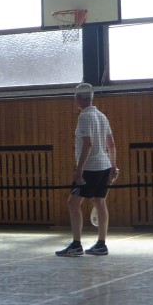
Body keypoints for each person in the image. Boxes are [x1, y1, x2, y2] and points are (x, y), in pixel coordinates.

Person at [56, 83, 118, 257]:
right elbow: (111, 145)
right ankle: (101, 244)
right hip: (104, 165)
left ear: (78, 98)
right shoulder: (102, 116)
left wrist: (79, 170)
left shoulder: (84, 116)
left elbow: (88, 144)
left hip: (90, 168)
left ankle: (76, 245)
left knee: (73, 203)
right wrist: (113, 166)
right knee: (99, 202)